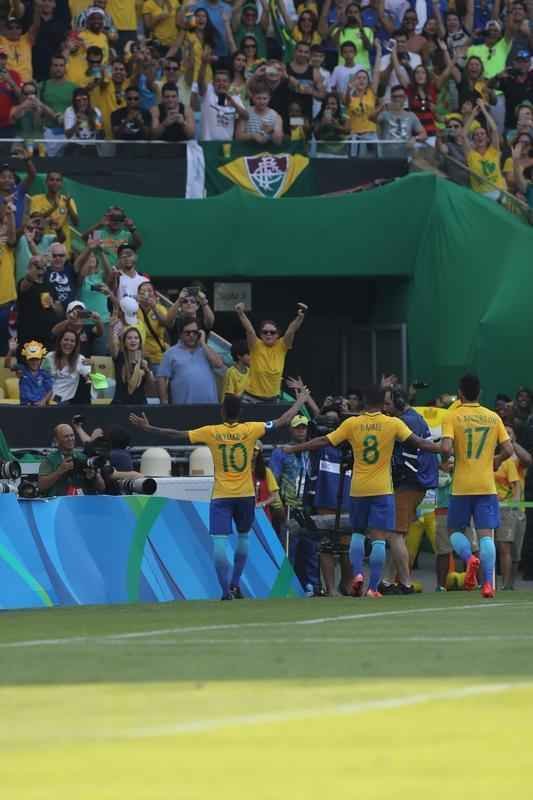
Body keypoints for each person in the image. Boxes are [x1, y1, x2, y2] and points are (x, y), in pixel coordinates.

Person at [130, 389, 310, 599]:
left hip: (222, 495)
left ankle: (225, 590)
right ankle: (235, 583)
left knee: (220, 542)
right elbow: (282, 420)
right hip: (245, 494)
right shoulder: (251, 429)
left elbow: (175, 434)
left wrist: (148, 427)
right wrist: (299, 401)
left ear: (223, 412)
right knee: (243, 537)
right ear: (240, 412)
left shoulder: (212, 431)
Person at [282, 384, 440, 597]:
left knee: (357, 533)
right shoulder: (392, 423)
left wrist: (293, 448)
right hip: (383, 489)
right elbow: (419, 442)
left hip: (358, 489)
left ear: (364, 402)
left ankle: (357, 575)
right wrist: (442, 448)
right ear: (381, 402)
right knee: (378, 539)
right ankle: (373, 587)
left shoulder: (352, 424)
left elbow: (323, 441)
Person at [441, 373, 515, 600]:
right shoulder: (493, 417)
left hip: (462, 486)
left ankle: (469, 558)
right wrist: (497, 460)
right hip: (486, 485)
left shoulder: (452, 416)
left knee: (453, 531)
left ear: (460, 393)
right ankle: (488, 585)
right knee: (486, 536)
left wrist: (448, 461)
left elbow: (445, 448)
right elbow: (510, 450)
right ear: (479, 393)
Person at [382, 386, 438, 593]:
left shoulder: (405, 421)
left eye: (387, 404)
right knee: (398, 536)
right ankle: (387, 581)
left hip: (408, 483)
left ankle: (405, 583)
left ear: (399, 402)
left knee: (395, 535)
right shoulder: (413, 416)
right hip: (416, 483)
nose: (385, 408)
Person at [270, 413, 320, 595]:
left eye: (304, 427)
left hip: (307, 507)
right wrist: (279, 505)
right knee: (288, 550)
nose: (301, 431)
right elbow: (273, 481)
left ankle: (312, 587)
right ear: (290, 429)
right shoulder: (281, 452)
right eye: (298, 427)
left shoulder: (312, 451)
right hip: (289, 507)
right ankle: (284, 589)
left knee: (311, 550)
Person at [235, 301, 307, 402]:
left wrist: (300, 317)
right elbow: (250, 330)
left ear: (277, 335)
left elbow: (291, 331)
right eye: (265, 332)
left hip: (273, 399)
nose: (269, 334)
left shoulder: (282, 346)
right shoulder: (256, 344)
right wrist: (240, 313)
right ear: (261, 334)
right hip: (251, 397)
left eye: (272, 332)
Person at [158, 315, 223, 404]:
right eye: (187, 332)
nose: (191, 335)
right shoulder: (170, 353)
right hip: (183, 407)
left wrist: (203, 343)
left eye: (195, 332)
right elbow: (161, 378)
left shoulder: (206, 350)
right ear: (180, 334)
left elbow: (219, 364)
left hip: (210, 406)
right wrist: (164, 401)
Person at [38, 423, 105, 497]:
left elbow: (101, 488)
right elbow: (41, 486)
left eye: (72, 435)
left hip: (82, 501)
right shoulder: (50, 460)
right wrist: (60, 471)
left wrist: (95, 476)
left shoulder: (83, 458)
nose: (70, 439)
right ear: (56, 440)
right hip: (60, 504)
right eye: (66, 436)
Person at [17, 255, 63, 352]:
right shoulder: (25, 283)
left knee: (47, 365)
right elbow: (26, 283)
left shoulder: (50, 285)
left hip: (48, 336)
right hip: (29, 336)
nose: (40, 268)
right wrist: (34, 267)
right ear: (30, 268)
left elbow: (60, 312)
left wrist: (53, 305)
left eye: (42, 266)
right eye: (37, 266)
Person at [494, 430, 522, 590]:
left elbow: (516, 485)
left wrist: (514, 505)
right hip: (486, 507)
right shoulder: (485, 461)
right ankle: (488, 582)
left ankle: (506, 585)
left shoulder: (508, 463)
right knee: (489, 546)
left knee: (505, 546)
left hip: (505, 509)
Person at [463, 99, 507, 200]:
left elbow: (495, 129)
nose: (479, 136)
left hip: (498, 193)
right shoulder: (471, 155)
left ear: (487, 139)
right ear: (473, 140)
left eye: (482, 134)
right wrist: (473, 114)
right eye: (476, 135)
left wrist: (483, 109)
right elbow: (463, 135)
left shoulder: (493, 151)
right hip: (481, 197)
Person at [30, 172, 79, 257]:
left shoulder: (68, 200)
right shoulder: (36, 199)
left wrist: (69, 206)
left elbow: (76, 223)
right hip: (42, 246)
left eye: (58, 180)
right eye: (51, 180)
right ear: (46, 182)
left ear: (61, 184)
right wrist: (53, 207)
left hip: (62, 247)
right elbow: (36, 219)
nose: (55, 182)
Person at [38, 54, 78, 156]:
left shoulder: (74, 88)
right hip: (47, 134)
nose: (58, 68)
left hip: (68, 134)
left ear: (65, 68)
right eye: (55, 65)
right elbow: (36, 110)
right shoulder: (41, 86)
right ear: (51, 67)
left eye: (61, 65)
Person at [197, 65, 247, 142]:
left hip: (227, 145)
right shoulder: (208, 93)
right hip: (208, 144)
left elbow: (246, 116)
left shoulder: (235, 98)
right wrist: (204, 63)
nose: (221, 83)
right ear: (213, 83)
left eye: (224, 81)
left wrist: (234, 105)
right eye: (218, 81)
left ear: (230, 84)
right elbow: (200, 81)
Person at [43, 328, 92, 404]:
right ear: (60, 341)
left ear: (76, 344)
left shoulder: (80, 359)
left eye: (72, 341)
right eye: (66, 339)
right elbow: (41, 377)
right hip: (44, 398)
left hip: (64, 403)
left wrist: (93, 364)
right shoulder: (49, 356)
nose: (68, 343)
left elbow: (90, 377)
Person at [377, 84, 427, 157]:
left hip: (405, 157)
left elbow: (424, 134)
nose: (397, 99)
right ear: (391, 98)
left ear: (405, 98)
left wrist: (415, 138)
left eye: (400, 96)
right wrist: (382, 106)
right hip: (387, 157)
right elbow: (371, 119)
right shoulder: (384, 115)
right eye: (394, 97)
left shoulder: (411, 115)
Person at [109, 324, 155, 404]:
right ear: (124, 342)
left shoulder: (145, 359)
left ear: (140, 341)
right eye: (129, 338)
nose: (133, 340)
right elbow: (113, 346)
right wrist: (111, 328)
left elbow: (151, 386)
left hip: (140, 403)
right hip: (120, 403)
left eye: (136, 338)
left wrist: (146, 370)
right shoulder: (119, 356)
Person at [7, 338, 53, 406]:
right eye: (31, 359)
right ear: (26, 360)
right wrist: (11, 351)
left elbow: (51, 389)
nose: (34, 362)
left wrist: (44, 401)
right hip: (24, 407)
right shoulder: (22, 369)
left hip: (40, 407)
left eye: (37, 359)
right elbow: (7, 365)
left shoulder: (44, 373)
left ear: (41, 360)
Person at [137, 280, 170, 375]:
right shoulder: (133, 308)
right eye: (143, 291)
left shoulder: (160, 308)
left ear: (154, 293)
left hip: (157, 357)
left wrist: (154, 308)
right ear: (138, 294)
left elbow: (166, 323)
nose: (146, 293)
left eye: (149, 290)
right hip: (139, 357)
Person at [63, 86, 104, 152]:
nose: (82, 103)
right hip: (74, 147)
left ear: (88, 99)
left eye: (84, 99)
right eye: (78, 100)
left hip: (91, 147)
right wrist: (77, 123)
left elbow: (101, 134)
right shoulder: (70, 111)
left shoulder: (96, 111)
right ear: (74, 101)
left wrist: (95, 122)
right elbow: (68, 135)